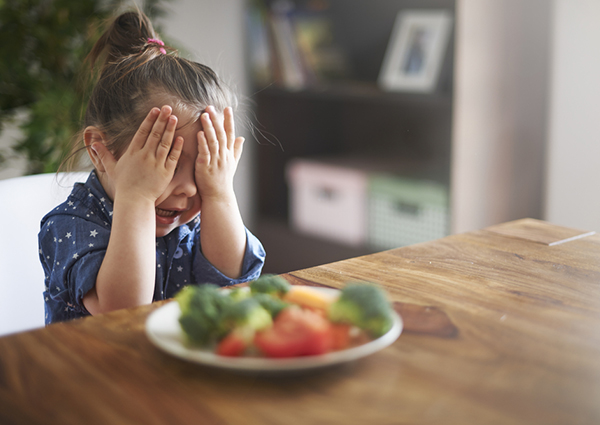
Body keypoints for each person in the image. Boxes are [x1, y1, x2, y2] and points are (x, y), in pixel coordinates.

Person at [39, 10, 265, 324]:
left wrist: (219, 194)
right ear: (100, 151)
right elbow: (122, 309)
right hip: (91, 369)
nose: (188, 188)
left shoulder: (197, 216)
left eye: (202, 169)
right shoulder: (71, 225)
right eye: (168, 166)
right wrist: (137, 198)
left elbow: (234, 281)